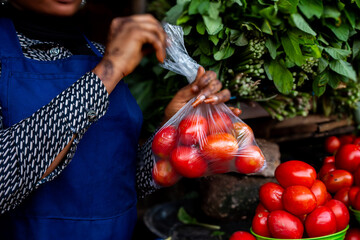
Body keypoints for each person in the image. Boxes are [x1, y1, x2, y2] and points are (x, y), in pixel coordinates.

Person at [0, 0, 239, 239]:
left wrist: (176, 127)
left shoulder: (99, 51)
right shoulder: (111, 62)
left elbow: (117, 179)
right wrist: (109, 71)